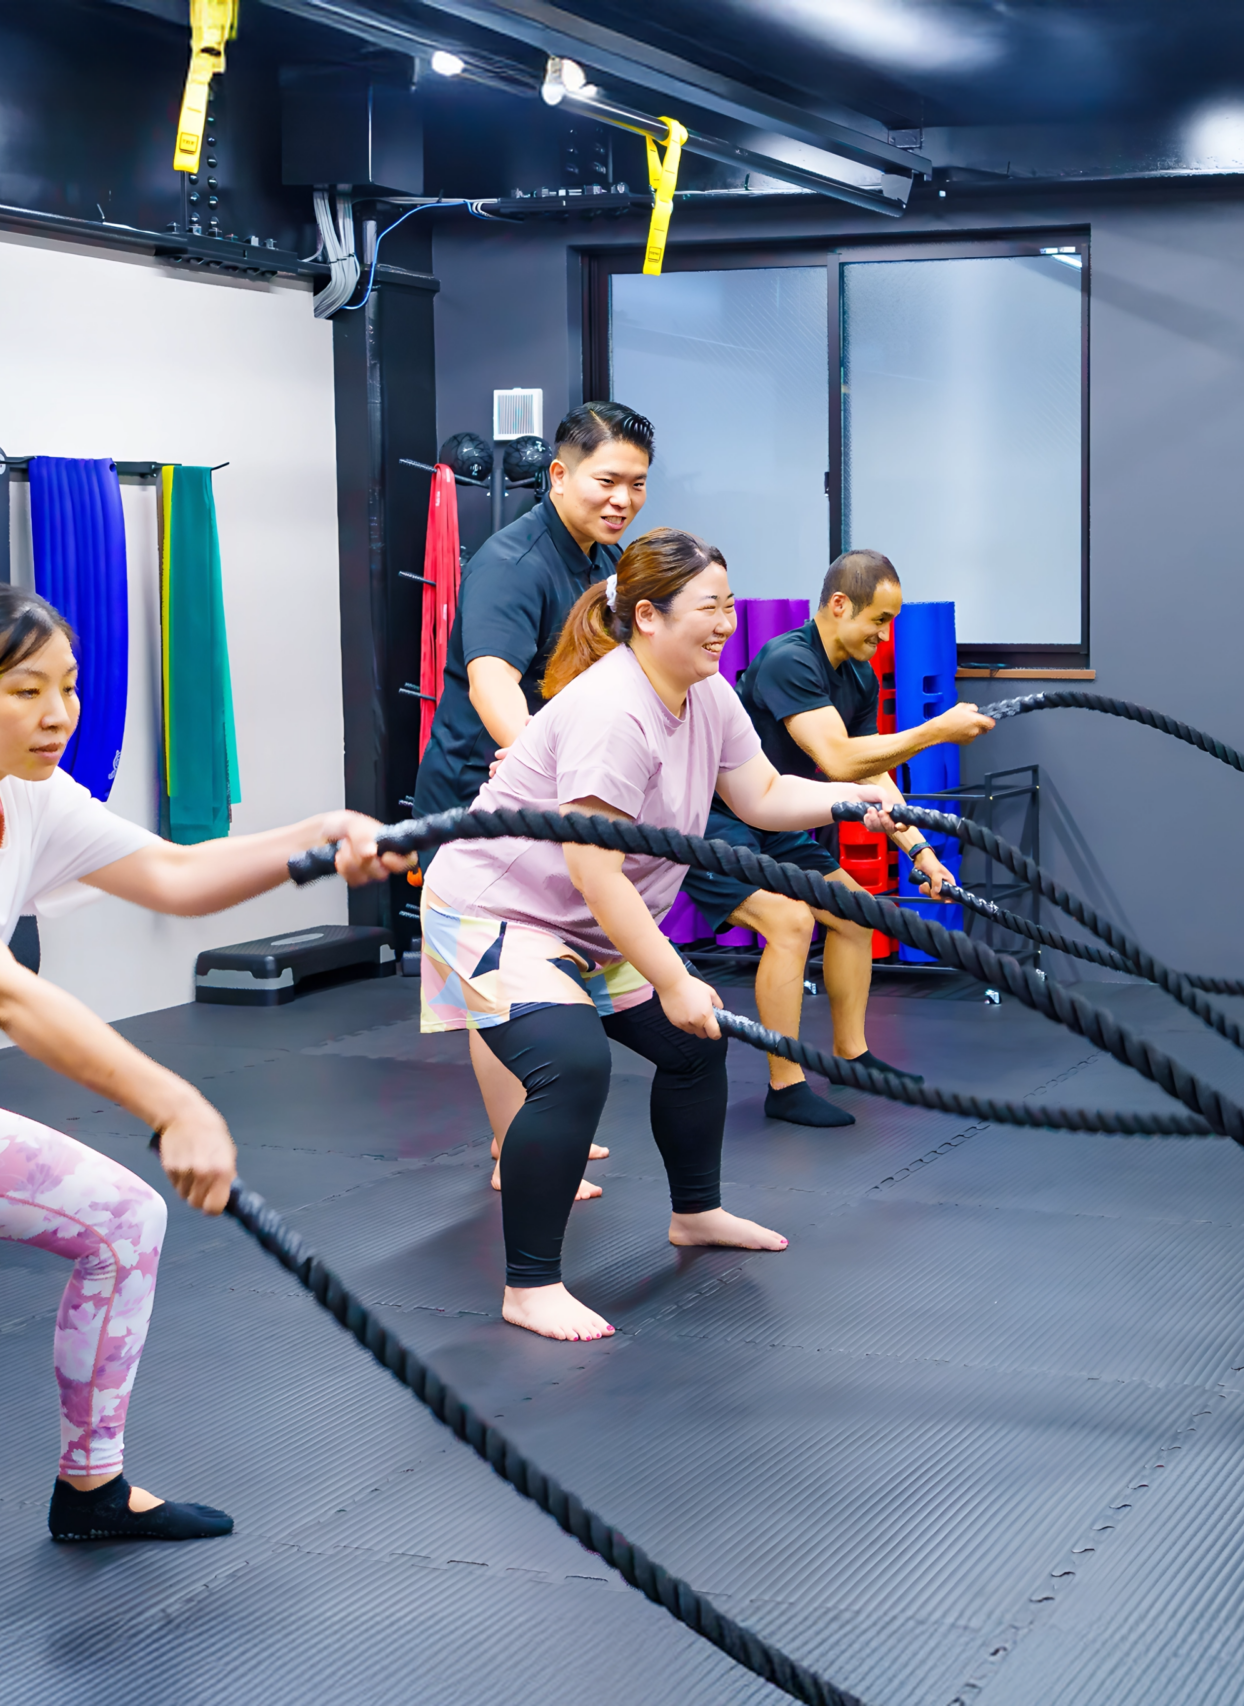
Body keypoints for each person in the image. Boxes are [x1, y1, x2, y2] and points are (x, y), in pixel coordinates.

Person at [0, 581, 402, 1596]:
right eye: (26, 691)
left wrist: (319, 837)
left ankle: (93, 1488)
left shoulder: (23, 794)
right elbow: (1, 994)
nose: (59, 713)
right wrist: (173, 1101)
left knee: (120, 1220)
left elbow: (175, 876)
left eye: (67, 686)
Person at [414, 530, 897, 1343]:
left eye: (730, 606)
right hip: (498, 911)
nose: (726, 624)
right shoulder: (613, 710)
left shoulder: (706, 693)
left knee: (695, 1046)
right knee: (573, 1065)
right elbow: (595, 870)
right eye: (709, 608)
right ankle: (529, 1286)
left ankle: (696, 1213)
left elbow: (763, 794)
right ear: (648, 616)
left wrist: (849, 801)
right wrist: (674, 979)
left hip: (581, 917)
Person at [412, 401, 657, 1203]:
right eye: (607, 480)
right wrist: (541, 771)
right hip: (483, 793)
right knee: (499, 978)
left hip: (541, 790)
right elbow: (494, 682)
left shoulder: (603, 560)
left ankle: (539, 1123)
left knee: (549, 963)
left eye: (637, 484)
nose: (622, 498)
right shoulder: (512, 562)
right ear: (558, 474)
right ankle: (511, 1148)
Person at [679, 550, 995, 1127]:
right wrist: (936, 729)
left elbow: (873, 773)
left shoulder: (858, 675)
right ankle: (785, 1085)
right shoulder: (788, 660)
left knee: (856, 913)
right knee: (790, 922)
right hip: (713, 821)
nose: (885, 635)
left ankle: (851, 1056)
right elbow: (838, 757)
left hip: (779, 816)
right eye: (879, 620)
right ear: (841, 605)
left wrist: (921, 852)